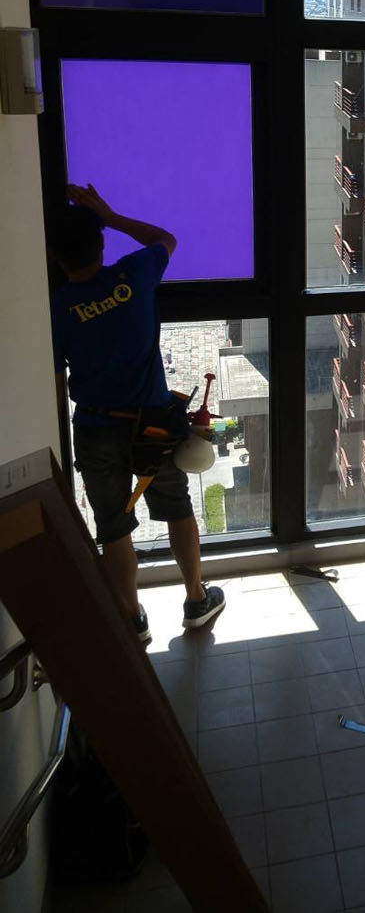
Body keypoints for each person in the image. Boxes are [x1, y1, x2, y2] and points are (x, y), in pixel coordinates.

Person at [49, 183, 225, 643]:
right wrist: (110, 216)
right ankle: (196, 599)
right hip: (152, 427)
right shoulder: (134, 274)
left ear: (54, 256)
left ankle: (131, 620)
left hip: (95, 426)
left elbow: (55, 370)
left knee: (113, 527)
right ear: (100, 243)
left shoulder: (57, 309)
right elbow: (166, 239)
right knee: (176, 507)